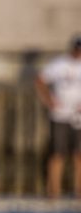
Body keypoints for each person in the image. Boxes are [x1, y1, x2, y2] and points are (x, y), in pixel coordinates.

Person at [35, 34, 81, 198]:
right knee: (57, 154)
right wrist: (49, 101)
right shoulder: (59, 64)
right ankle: (53, 191)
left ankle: (79, 192)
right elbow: (40, 80)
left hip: (78, 117)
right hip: (59, 115)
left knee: (79, 155)